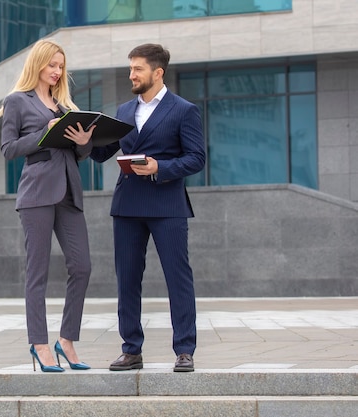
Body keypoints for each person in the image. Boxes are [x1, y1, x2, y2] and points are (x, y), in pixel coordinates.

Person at [90, 43, 205, 372]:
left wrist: (160, 168)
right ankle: (131, 349)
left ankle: (184, 349)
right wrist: (85, 140)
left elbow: (197, 158)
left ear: (157, 72)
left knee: (177, 278)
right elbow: (102, 152)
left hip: (167, 205)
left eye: (137, 69)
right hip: (127, 206)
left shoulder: (184, 110)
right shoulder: (124, 111)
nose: (132, 75)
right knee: (127, 279)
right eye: (130, 69)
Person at [0, 39, 95, 372]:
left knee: (82, 267)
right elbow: (8, 149)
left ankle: (65, 340)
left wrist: (83, 144)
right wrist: (44, 132)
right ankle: (39, 343)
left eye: (61, 66)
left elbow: (75, 154)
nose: (57, 71)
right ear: (38, 63)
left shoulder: (65, 107)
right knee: (37, 274)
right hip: (37, 194)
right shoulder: (16, 102)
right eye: (52, 64)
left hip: (68, 193)